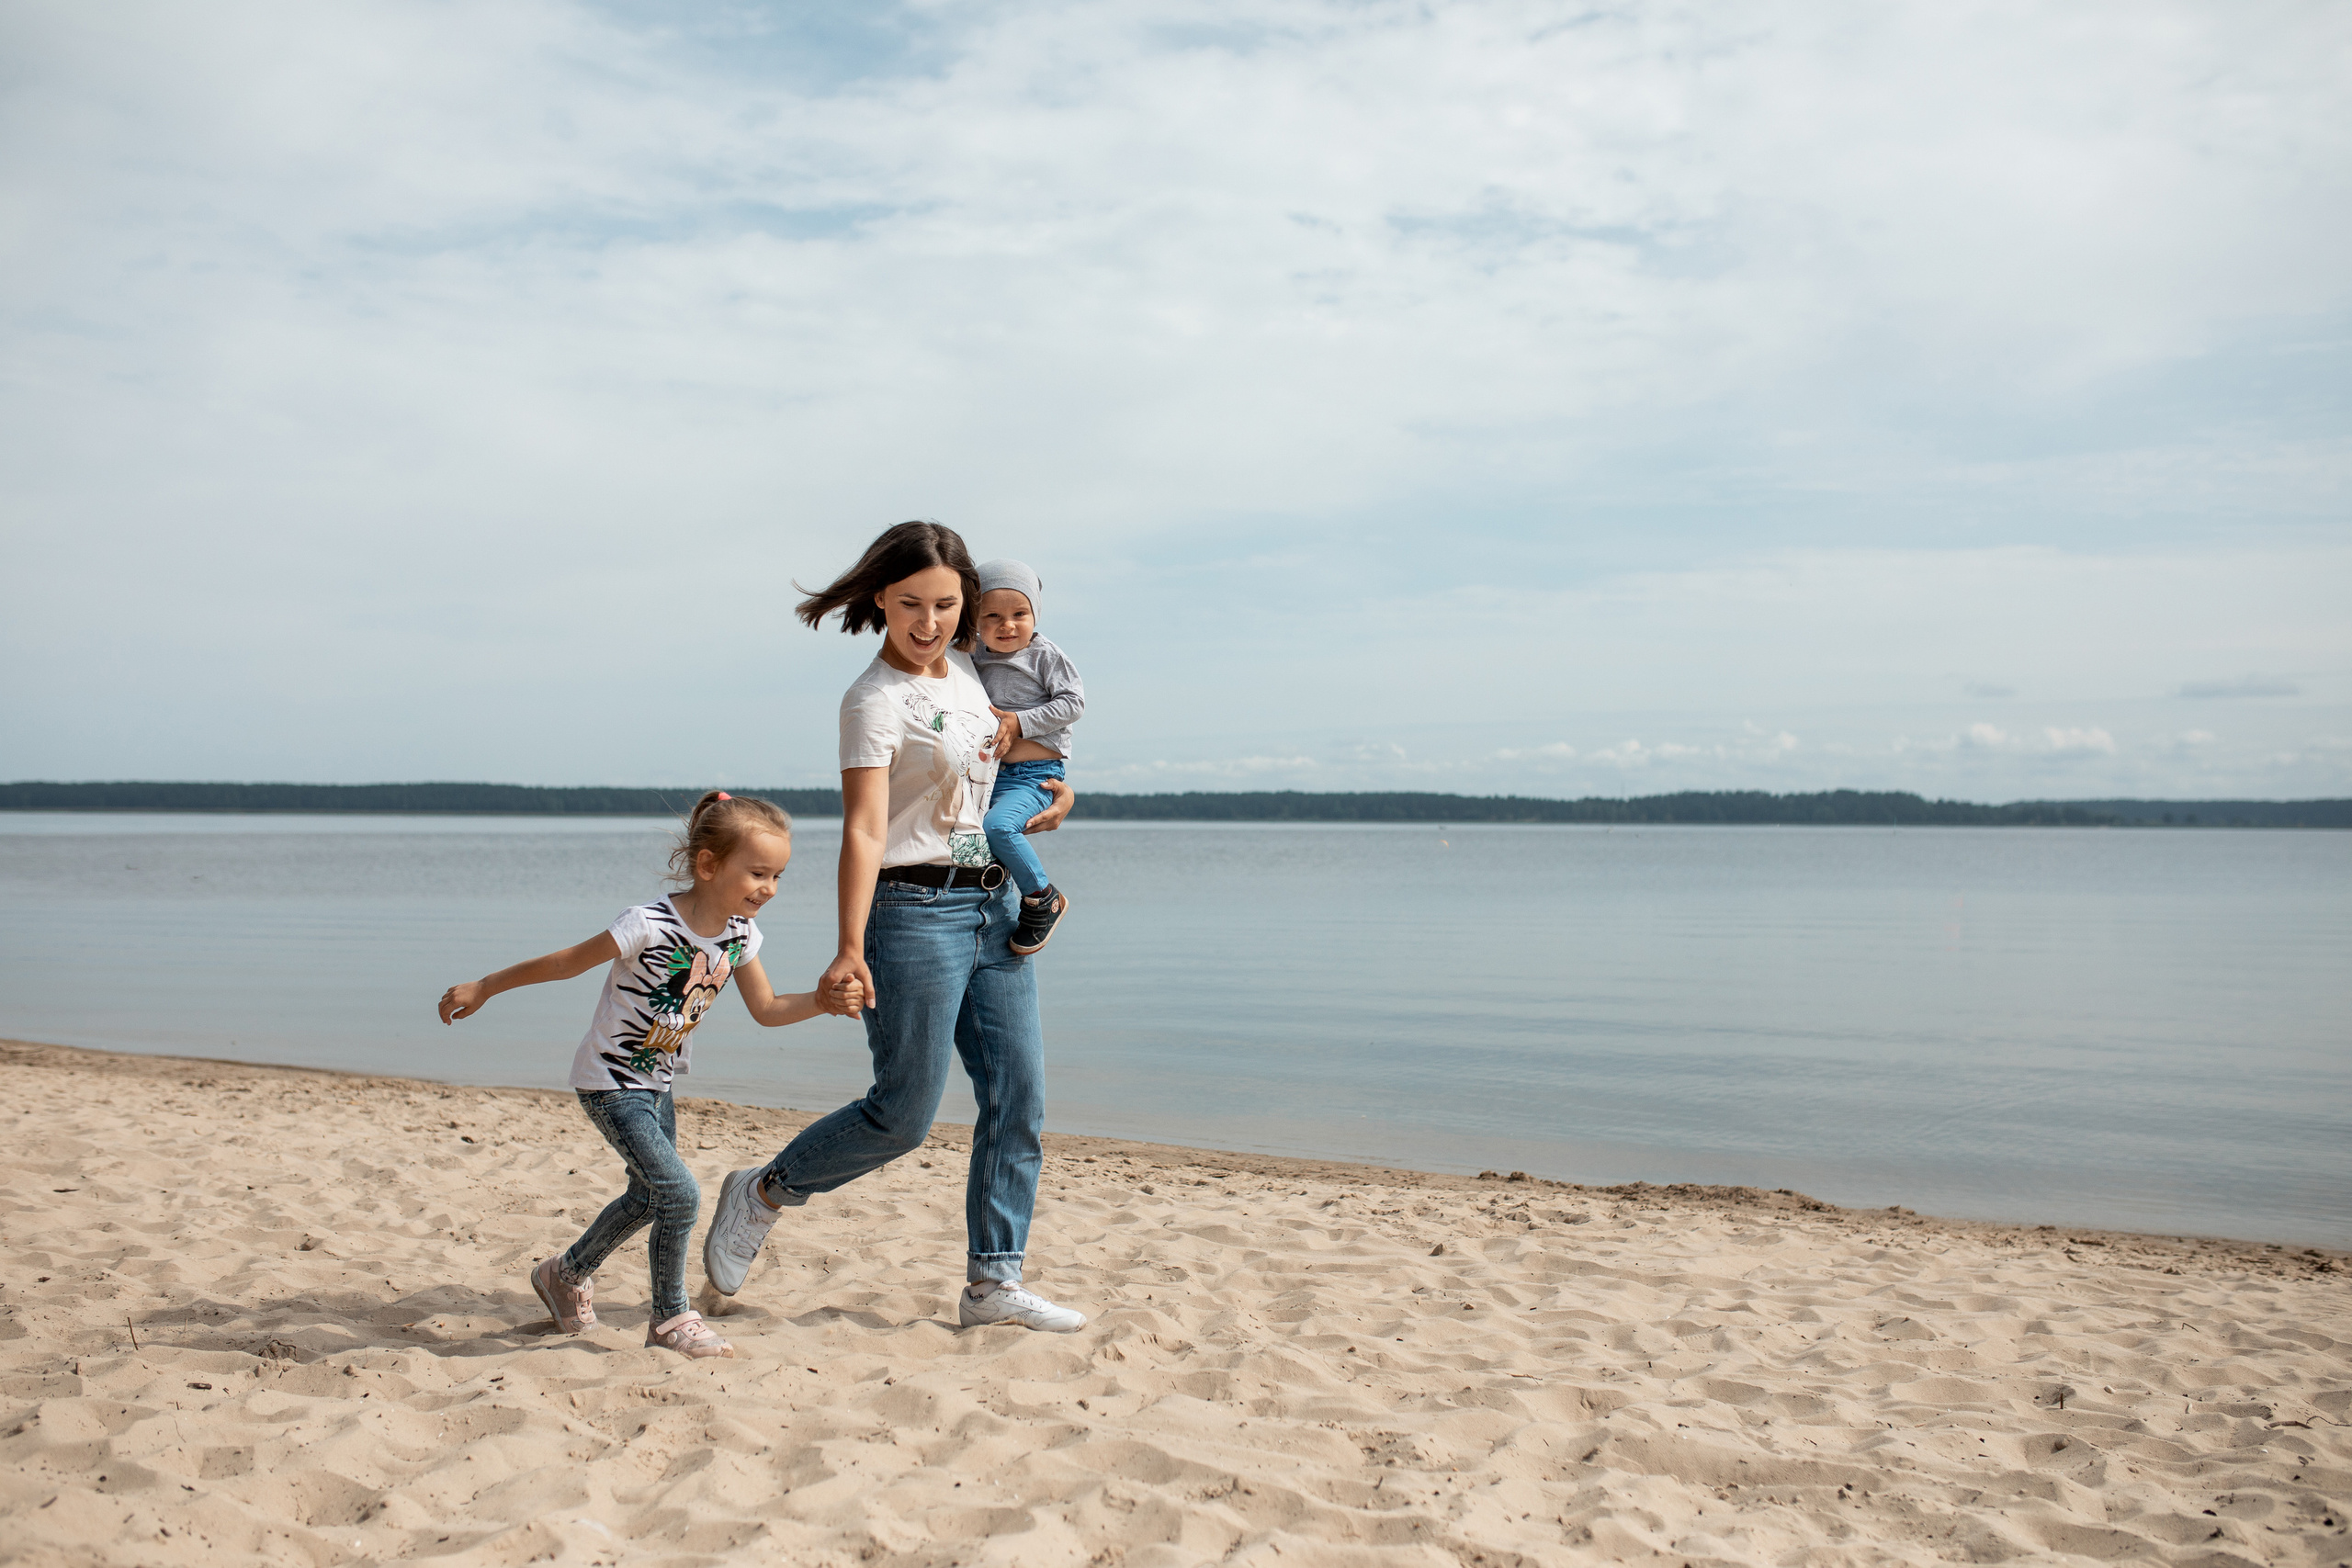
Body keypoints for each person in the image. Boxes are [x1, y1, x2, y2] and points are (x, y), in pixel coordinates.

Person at [700, 521, 1087, 1332]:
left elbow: (972, 802)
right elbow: (868, 829)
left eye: (947, 604)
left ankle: (992, 1282)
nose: (929, 621)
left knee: (1019, 1097)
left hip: (990, 906)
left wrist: (1050, 801)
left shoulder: (976, 685)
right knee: (903, 1113)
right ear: (880, 597)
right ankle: (764, 1189)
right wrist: (848, 946)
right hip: (911, 913)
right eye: (911, 603)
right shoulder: (873, 700)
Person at [435, 791, 858, 1359]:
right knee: (679, 1194)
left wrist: (823, 1002)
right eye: (758, 872)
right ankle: (669, 1319)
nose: (769, 888)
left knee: (648, 1194)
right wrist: (486, 986)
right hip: (609, 1082)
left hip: (657, 1085)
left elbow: (768, 1009)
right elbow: (565, 963)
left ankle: (566, 1275)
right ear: (708, 865)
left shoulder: (740, 935)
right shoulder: (648, 923)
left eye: (778, 876)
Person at [971, 558, 1082, 954]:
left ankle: (1042, 896)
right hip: (990, 773)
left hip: (1035, 773)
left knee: (998, 827)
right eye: (993, 616)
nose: (1008, 625)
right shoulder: (971, 655)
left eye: (1020, 614)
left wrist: (1021, 722)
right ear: (976, 619)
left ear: (1035, 614)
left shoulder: (1044, 655)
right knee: (980, 835)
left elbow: (1073, 703)